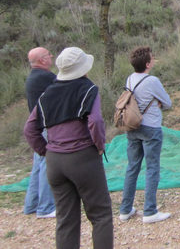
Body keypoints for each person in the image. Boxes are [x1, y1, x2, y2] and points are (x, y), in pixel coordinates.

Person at [24, 47, 113, 249]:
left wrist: (46, 151)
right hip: (83, 156)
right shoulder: (88, 88)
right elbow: (96, 121)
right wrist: (99, 146)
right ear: (83, 68)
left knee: (66, 220)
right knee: (100, 215)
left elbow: (30, 129)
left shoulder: (48, 93)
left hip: (55, 160)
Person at [119, 46, 173, 224]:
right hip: (151, 127)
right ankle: (149, 211)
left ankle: (125, 210)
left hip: (132, 127)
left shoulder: (130, 78)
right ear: (148, 63)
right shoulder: (152, 81)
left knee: (132, 167)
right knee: (152, 168)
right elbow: (168, 103)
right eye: (152, 58)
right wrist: (158, 102)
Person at [23, 47, 56, 219]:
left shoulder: (33, 77)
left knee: (38, 166)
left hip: (37, 128)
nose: (51, 57)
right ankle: (45, 207)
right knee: (46, 165)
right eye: (49, 55)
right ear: (42, 60)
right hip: (45, 128)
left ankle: (31, 204)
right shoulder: (45, 77)